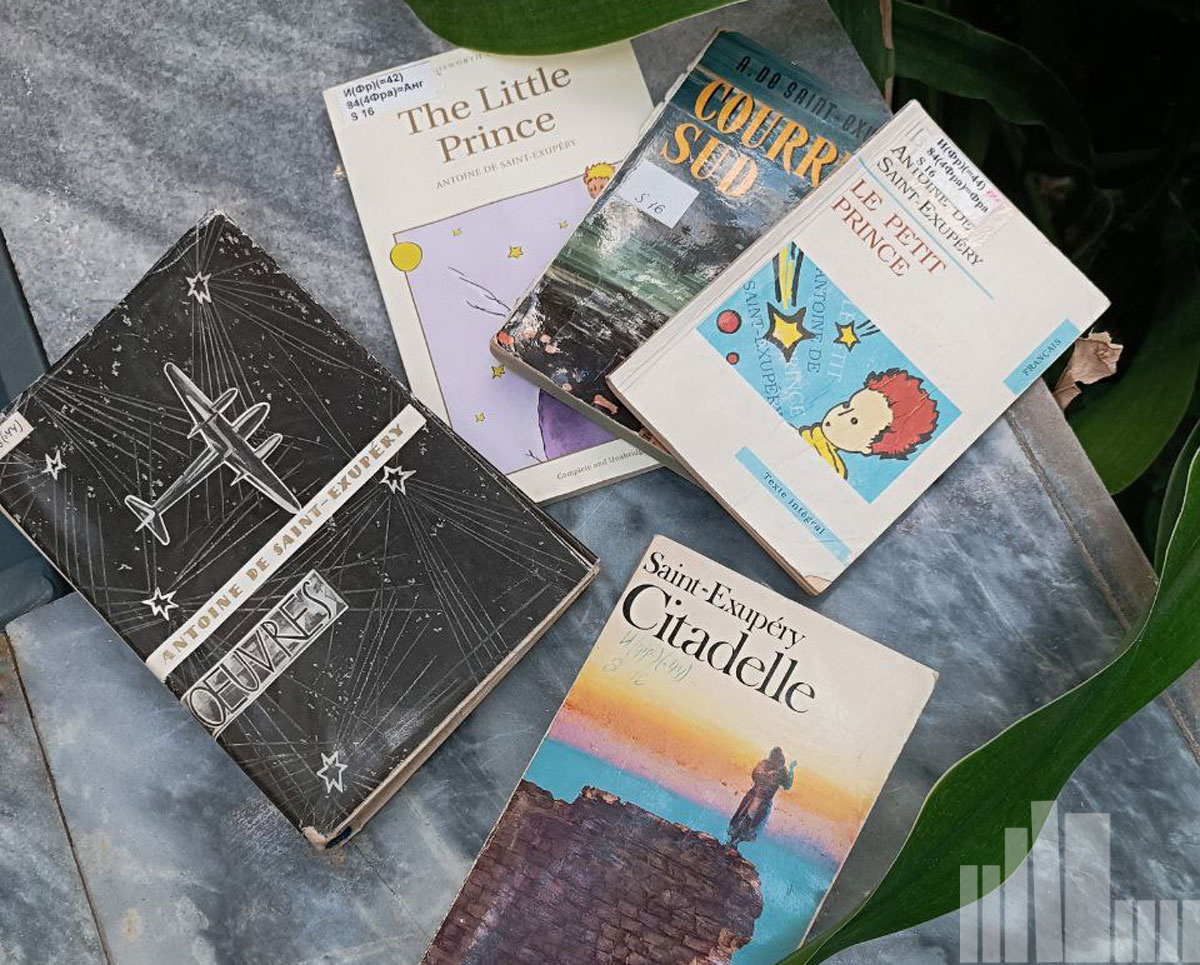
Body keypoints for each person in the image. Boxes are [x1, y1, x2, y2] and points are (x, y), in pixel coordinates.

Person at [799, 367, 939, 481]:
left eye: (854, 420)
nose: (841, 415)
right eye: (847, 405)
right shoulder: (804, 433)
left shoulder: (832, 469)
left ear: (867, 448)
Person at [727, 747, 796, 846]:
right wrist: (768, 776)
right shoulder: (765, 764)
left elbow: (787, 785)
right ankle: (732, 841)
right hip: (754, 796)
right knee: (742, 819)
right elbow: (755, 775)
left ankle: (735, 843)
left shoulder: (781, 770)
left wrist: (791, 770)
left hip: (763, 800)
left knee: (752, 823)